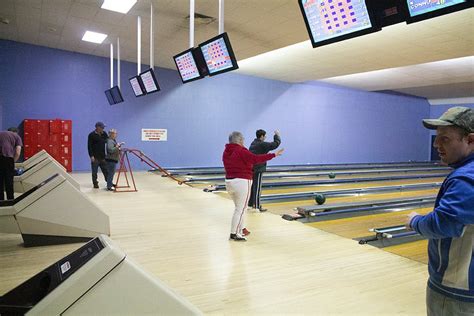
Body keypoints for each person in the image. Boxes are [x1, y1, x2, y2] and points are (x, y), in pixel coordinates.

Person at [405, 106, 474, 315]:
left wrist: (415, 221)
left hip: (456, 290)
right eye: (436, 138)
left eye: (445, 139)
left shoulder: (466, 178)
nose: (436, 145)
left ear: (470, 140)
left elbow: (444, 223)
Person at [223, 131, 284, 241]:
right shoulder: (241, 150)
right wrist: (274, 155)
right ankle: (234, 234)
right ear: (240, 140)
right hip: (241, 182)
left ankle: (241, 229)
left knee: (239, 208)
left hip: (229, 182)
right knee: (240, 209)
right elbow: (255, 159)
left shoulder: (226, 151)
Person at [248, 129, 281, 212]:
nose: (265, 137)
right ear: (262, 136)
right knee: (257, 187)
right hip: (258, 168)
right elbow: (275, 145)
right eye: (265, 136)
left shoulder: (253, 143)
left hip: (252, 168)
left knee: (253, 187)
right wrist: (277, 135)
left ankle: (251, 204)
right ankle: (257, 207)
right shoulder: (261, 144)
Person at [0, 127, 22, 200]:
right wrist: (13, 162)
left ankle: (1, 201)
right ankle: (10, 200)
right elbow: (18, 152)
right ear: (16, 132)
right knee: (9, 181)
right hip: (8, 159)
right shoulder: (17, 136)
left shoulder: (1, 133)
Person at [88, 122, 108, 189]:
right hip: (95, 157)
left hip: (102, 156)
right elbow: (89, 146)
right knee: (94, 172)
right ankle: (95, 183)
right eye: (102, 127)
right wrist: (91, 156)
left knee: (105, 170)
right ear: (97, 127)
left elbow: (108, 141)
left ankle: (109, 182)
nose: (103, 128)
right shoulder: (91, 135)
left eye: (103, 127)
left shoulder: (104, 134)